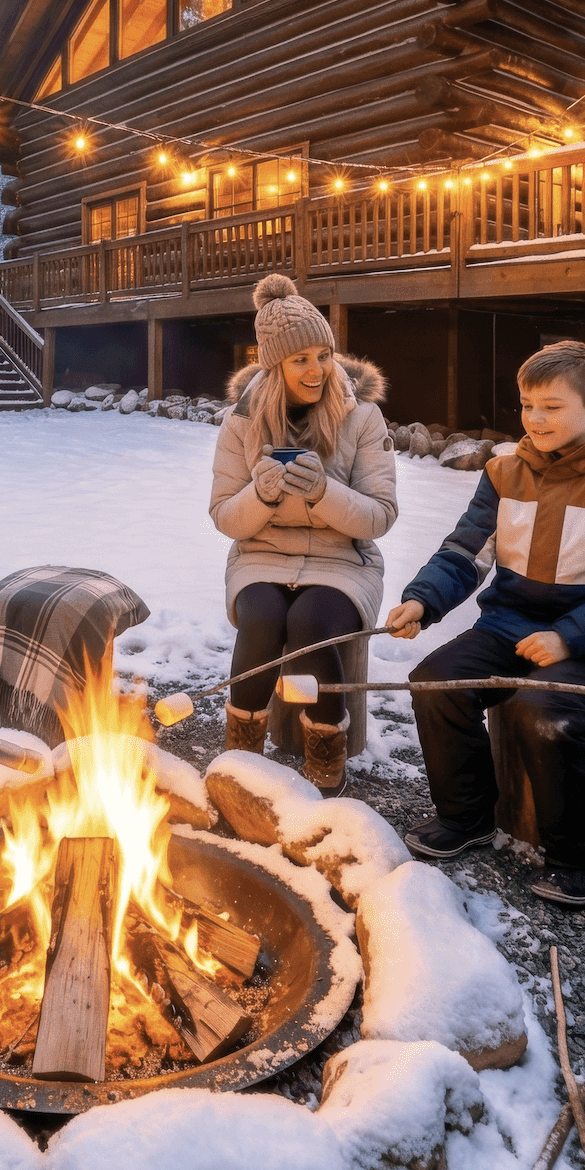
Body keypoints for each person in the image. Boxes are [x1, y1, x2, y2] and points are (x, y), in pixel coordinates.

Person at [386, 339, 585, 906]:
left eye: (552, 406)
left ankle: (577, 851)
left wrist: (571, 636)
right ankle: (467, 815)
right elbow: (465, 552)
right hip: (510, 626)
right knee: (435, 683)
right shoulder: (503, 473)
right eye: (527, 405)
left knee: (541, 709)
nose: (535, 418)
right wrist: (424, 600)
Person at [208, 274, 398, 791]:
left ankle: (325, 750)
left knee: (313, 620)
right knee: (264, 618)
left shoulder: (363, 418)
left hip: (343, 562)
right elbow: (225, 515)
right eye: (300, 360)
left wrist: (323, 493)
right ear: (275, 366)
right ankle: (241, 755)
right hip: (261, 555)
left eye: (323, 355)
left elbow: (380, 515)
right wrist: (262, 495)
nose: (316, 370)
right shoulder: (242, 422)